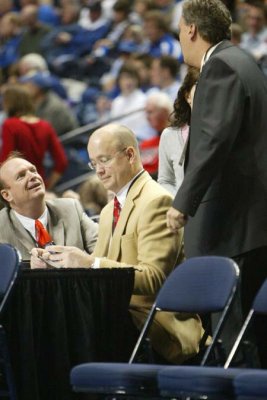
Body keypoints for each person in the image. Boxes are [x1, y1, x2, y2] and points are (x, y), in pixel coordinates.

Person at [33, 123, 203, 364]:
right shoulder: (106, 212)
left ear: (130, 154)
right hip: (119, 317)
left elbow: (154, 278)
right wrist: (60, 266)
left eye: (104, 160)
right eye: (94, 164)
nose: (99, 171)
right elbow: (98, 274)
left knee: (68, 328)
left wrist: (90, 263)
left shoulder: (157, 201)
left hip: (153, 322)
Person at [166, 0, 267, 366]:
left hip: (231, 227)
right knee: (254, 333)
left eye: (179, 29)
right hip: (252, 226)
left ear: (192, 29)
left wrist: (183, 201)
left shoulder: (220, 66)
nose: (179, 37)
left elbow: (213, 139)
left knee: (236, 338)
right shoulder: (243, 61)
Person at [0, 154, 98, 263]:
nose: (32, 176)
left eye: (33, 170)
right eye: (21, 176)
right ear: (7, 195)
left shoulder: (70, 208)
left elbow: (104, 247)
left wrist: (85, 261)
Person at [0, 84, 68, 189]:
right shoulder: (45, 125)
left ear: (9, 104)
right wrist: (48, 185)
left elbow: (5, 161)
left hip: (17, 186)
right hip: (38, 182)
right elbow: (61, 161)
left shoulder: (10, 125)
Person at [158, 66, 199, 195]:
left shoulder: (225, 130)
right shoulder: (169, 135)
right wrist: (179, 205)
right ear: (187, 95)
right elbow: (165, 180)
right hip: (182, 212)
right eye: (200, 89)